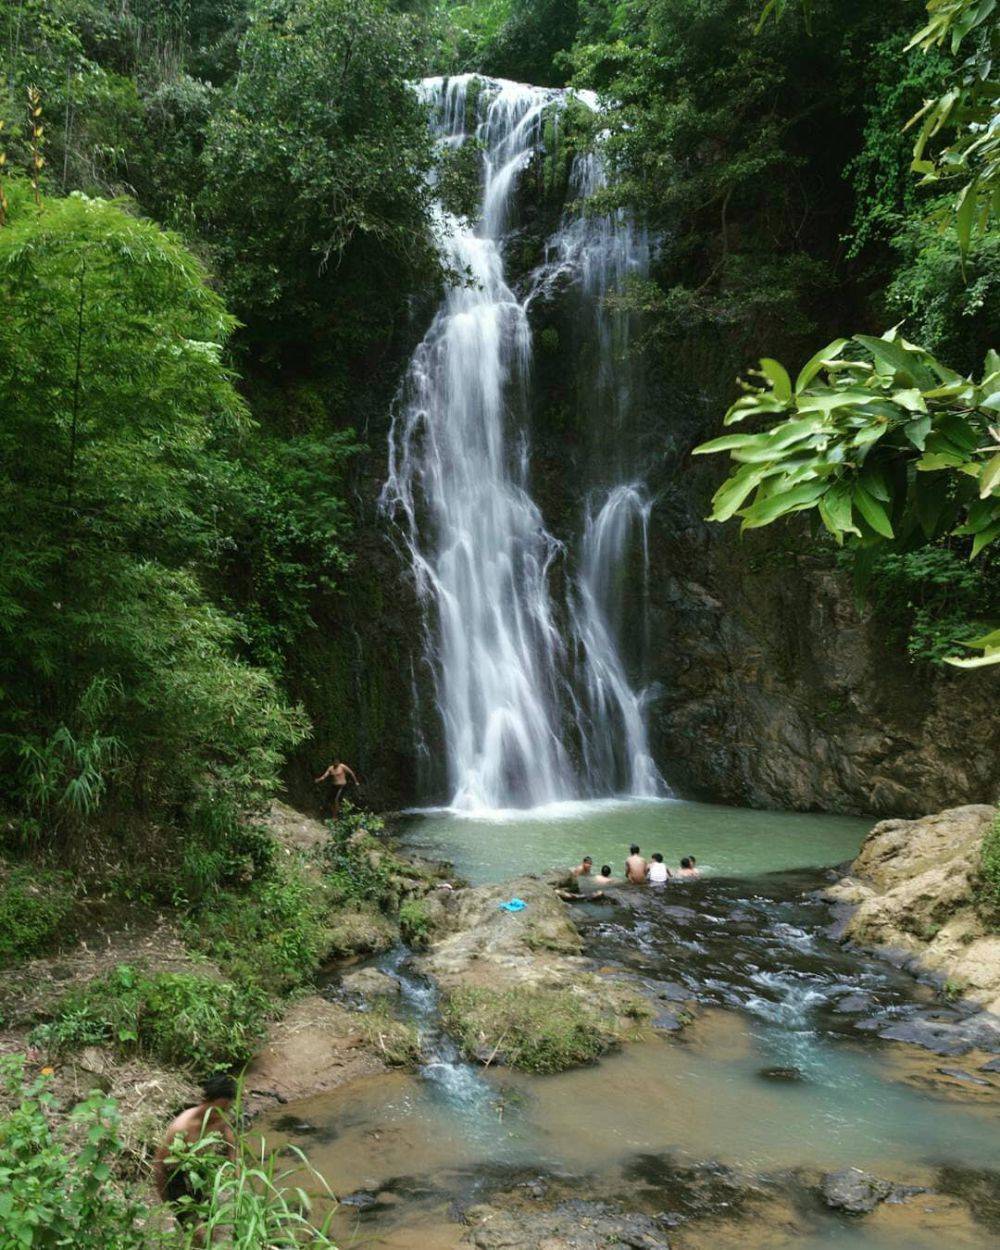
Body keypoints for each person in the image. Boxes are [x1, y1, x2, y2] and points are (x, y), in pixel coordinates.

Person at [154, 1074, 237, 1230]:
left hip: (200, 1172)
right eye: (217, 1109)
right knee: (197, 1232)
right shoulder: (182, 1127)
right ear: (206, 1102)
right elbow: (159, 1164)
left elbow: (230, 1140)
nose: (220, 1115)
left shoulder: (219, 1117)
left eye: (225, 1109)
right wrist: (165, 1199)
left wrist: (234, 1167)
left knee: (210, 1224)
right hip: (176, 1178)